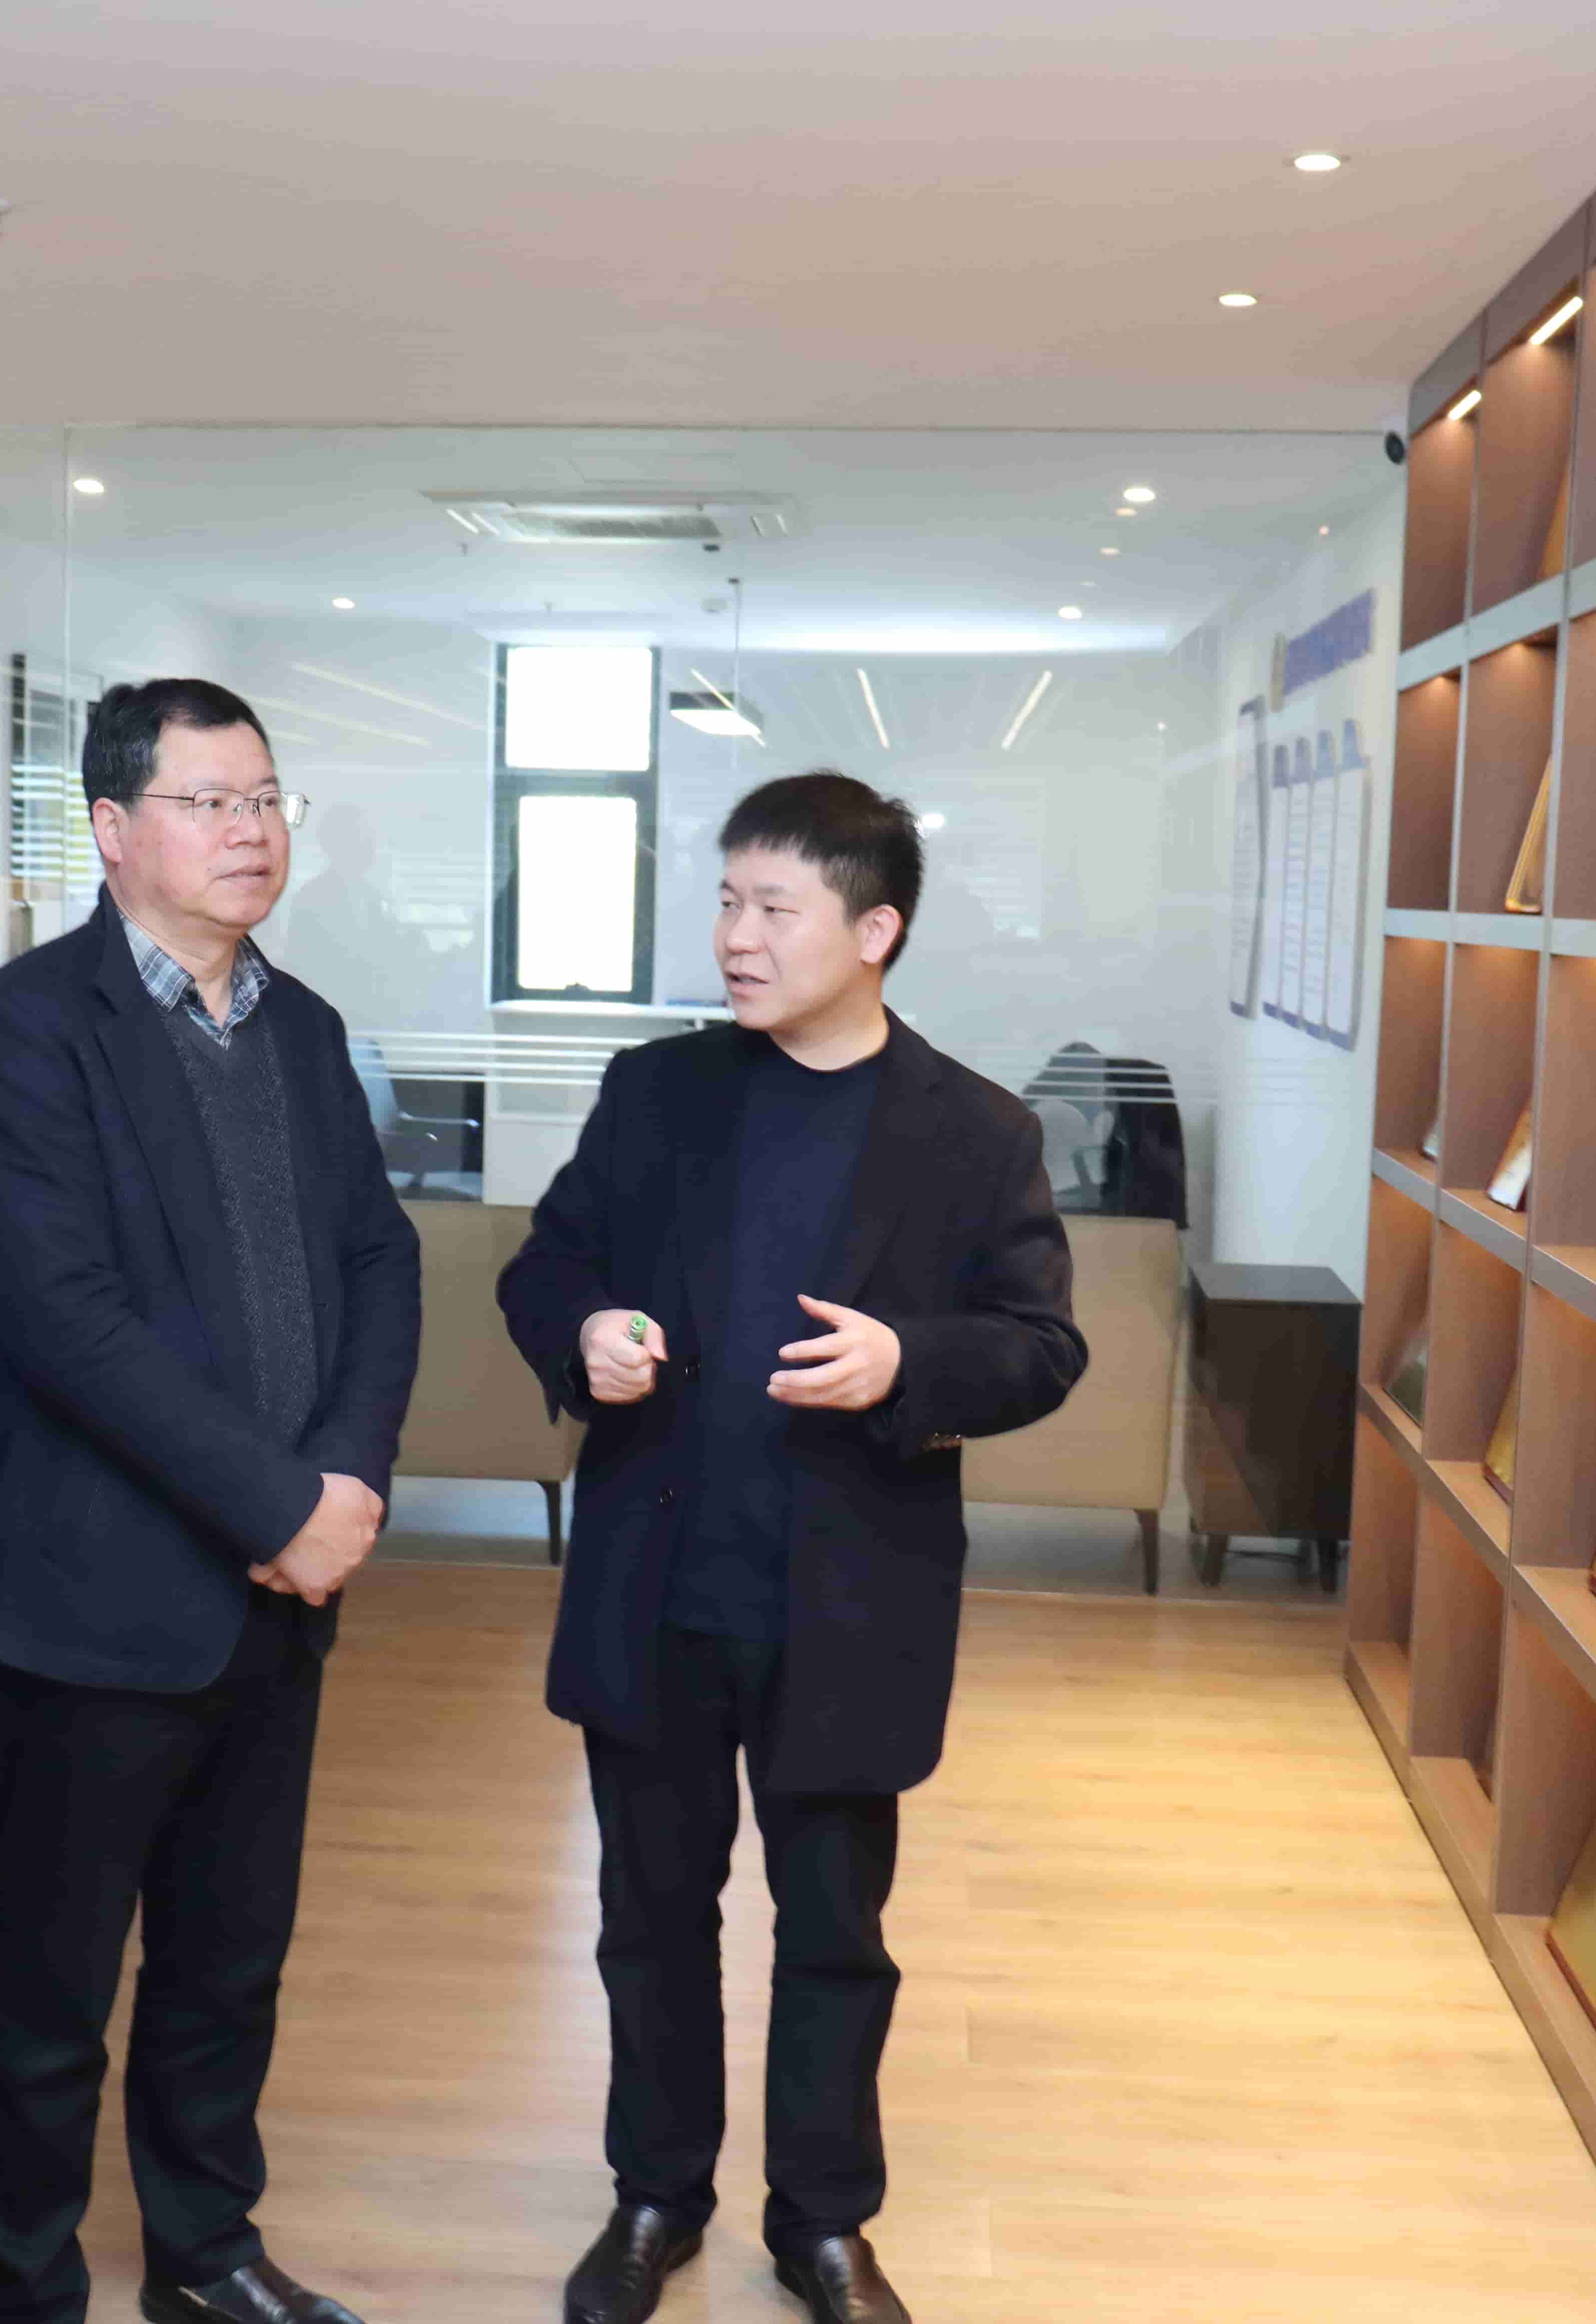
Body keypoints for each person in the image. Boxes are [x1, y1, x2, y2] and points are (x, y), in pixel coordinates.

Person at [498, 771, 1085, 2324]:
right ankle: (654, 2195)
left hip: (845, 1599)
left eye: (774, 906)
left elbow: (1042, 1346)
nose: (735, 937)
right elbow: (548, 1261)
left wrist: (908, 1363)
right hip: (657, 1584)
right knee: (648, 1921)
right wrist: (586, 1330)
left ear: (873, 931)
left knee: (835, 1934)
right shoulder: (659, 1092)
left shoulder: (975, 1130)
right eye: (726, 899)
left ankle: (823, 2221)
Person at [0, 678, 420, 2324]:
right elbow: (69, 1323)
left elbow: (378, 1261)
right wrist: (281, 1506)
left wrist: (348, 1480)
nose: (250, 831)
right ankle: (24, 2288)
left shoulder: (305, 1028)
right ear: (111, 827)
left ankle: (205, 2257)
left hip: (286, 1595)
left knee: (230, 1963)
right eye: (210, 801)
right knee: (52, 1988)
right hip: (105, 1598)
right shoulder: (22, 1033)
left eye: (267, 800)